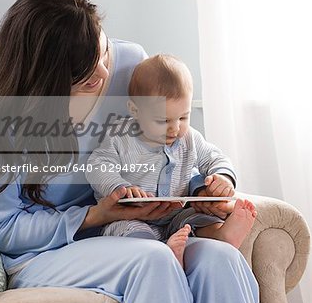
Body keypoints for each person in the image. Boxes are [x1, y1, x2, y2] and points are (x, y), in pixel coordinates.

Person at [0, 0, 265, 303]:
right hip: (46, 253)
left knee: (219, 258)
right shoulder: (0, 118)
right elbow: (8, 230)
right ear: (48, 83)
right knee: (153, 260)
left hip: (135, 226)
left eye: (104, 52)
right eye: (85, 75)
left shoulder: (129, 64)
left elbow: (168, 143)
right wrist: (96, 215)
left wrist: (202, 191)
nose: (103, 73)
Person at [88, 54, 257, 267]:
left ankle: (221, 236)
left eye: (183, 118)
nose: (175, 128)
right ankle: (163, 257)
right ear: (135, 111)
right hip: (132, 217)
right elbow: (97, 165)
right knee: (128, 233)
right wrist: (120, 187)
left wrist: (222, 178)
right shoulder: (120, 137)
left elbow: (215, 158)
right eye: (163, 120)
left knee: (200, 220)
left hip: (178, 216)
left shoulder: (190, 138)